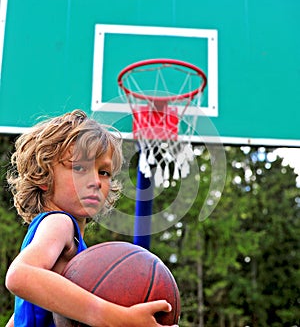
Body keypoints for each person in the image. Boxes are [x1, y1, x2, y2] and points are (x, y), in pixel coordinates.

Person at [5, 109, 178, 327]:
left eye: (104, 172)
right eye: (79, 167)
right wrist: (117, 318)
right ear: (43, 175)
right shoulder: (59, 223)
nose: (96, 181)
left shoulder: (72, 246)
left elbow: (23, 314)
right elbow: (20, 275)